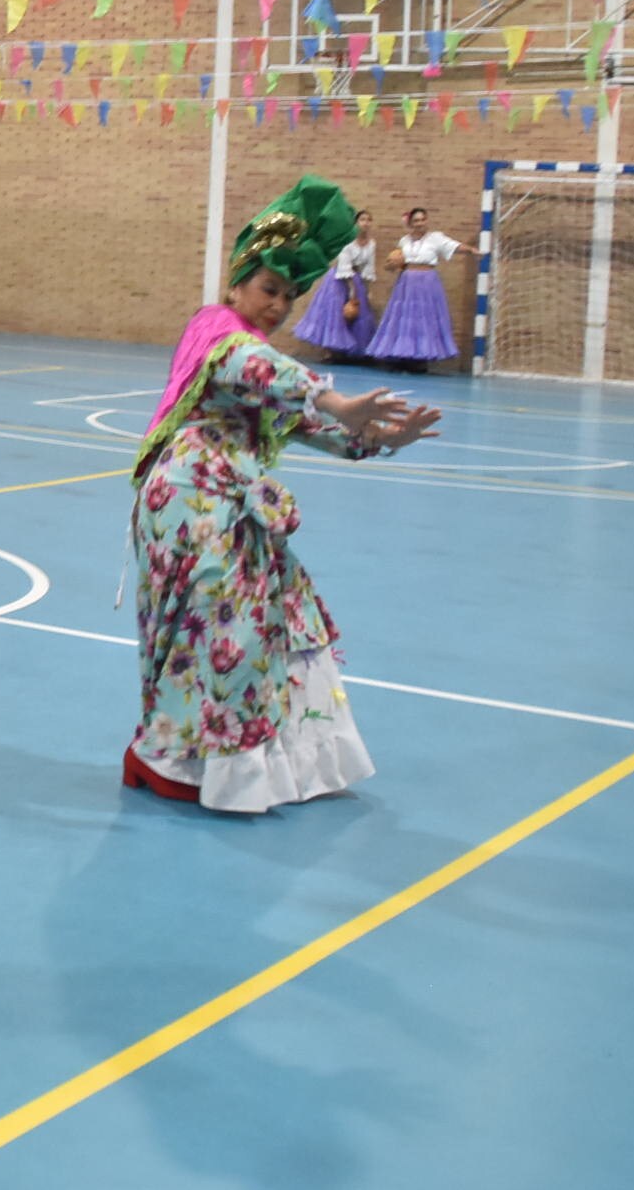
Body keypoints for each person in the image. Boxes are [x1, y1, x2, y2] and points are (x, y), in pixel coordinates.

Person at [124, 176, 442, 812]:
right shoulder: (215, 330)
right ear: (240, 280)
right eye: (270, 289)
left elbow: (309, 424)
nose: (277, 305)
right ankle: (171, 758)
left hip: (233, 505)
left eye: (290, 298)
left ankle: (203, 762)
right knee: (219, 632)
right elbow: (260, 369)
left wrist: (377, 437)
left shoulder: (262, 358)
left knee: (260, 627)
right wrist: (333, 397)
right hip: (189, 500)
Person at [365, 205, 464, 368]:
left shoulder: (436, 238)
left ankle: (421, 359)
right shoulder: (404, 241)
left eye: (422, 219)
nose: (420, 223)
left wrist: (472, 251)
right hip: (406, 284)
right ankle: (403, 356)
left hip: (427, 283)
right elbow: (395, 263)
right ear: (411, 223)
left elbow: (454, 246)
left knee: (425, 319)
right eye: (416, 220)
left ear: (427, 221)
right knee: (404, 319)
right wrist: (391, 265)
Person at [289, 206, 377, 362]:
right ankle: (330, 351)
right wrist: (351, 290)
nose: (366, 223)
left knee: (356, 313)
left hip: (357, 279)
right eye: (362, 220)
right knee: (335, 313)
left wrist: (367, 290)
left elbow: (368, 268)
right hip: (339, 279)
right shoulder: (348, 240)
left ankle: (349, 352)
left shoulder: (371, 244)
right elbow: (344, 263)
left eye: (369, 220)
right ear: (356, 222)